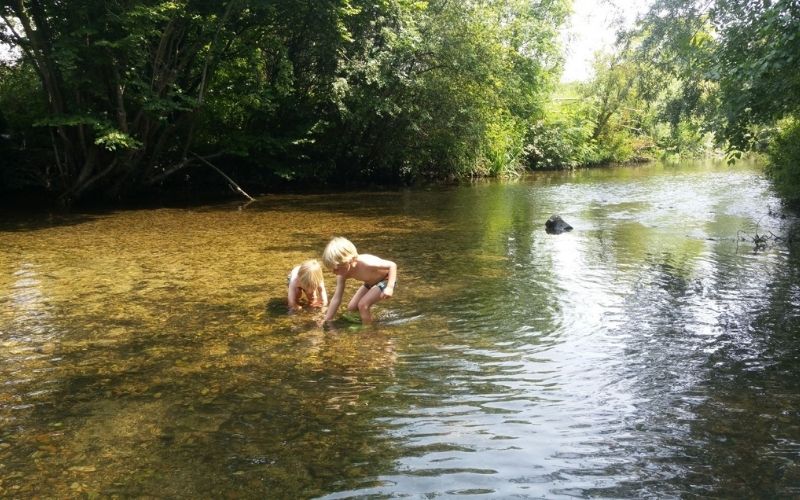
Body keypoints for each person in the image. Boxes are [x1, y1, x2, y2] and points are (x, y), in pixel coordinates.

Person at [321, 237, 397, 324]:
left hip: (386, 280)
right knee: (352, 308)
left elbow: (392, 265)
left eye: (337, 269)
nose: (333, 272)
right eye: (331, 269)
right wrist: (327, 319)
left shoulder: (367, 263)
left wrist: (390, 287)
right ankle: (366, 318)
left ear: (349, 261)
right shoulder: (341, 274)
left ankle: (368, 329)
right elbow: (336, 298)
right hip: (370, 283)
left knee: (363, 305)